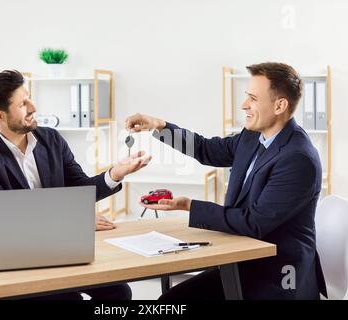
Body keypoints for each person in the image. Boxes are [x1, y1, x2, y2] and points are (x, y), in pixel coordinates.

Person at [125, 62, 327, 300]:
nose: (244, 105)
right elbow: (205, 149)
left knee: (173, 301)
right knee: (170, 300)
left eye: (252, 98)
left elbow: (254, 223)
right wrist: (159, 126)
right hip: (242, 259)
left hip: (276, 273)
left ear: (279, 105)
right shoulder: (252, 136)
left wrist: (187, 205)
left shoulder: (298, 158)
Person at [0, 70, 151, 300]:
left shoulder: (51, 139)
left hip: (61, 250)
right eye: (23, 104)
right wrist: (73, 222)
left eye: (29, 97)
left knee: (119, 292)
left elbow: (79, 189)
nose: (33, 107)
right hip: (19, 258)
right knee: (67, 299)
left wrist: (115, 173)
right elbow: (4, 219)